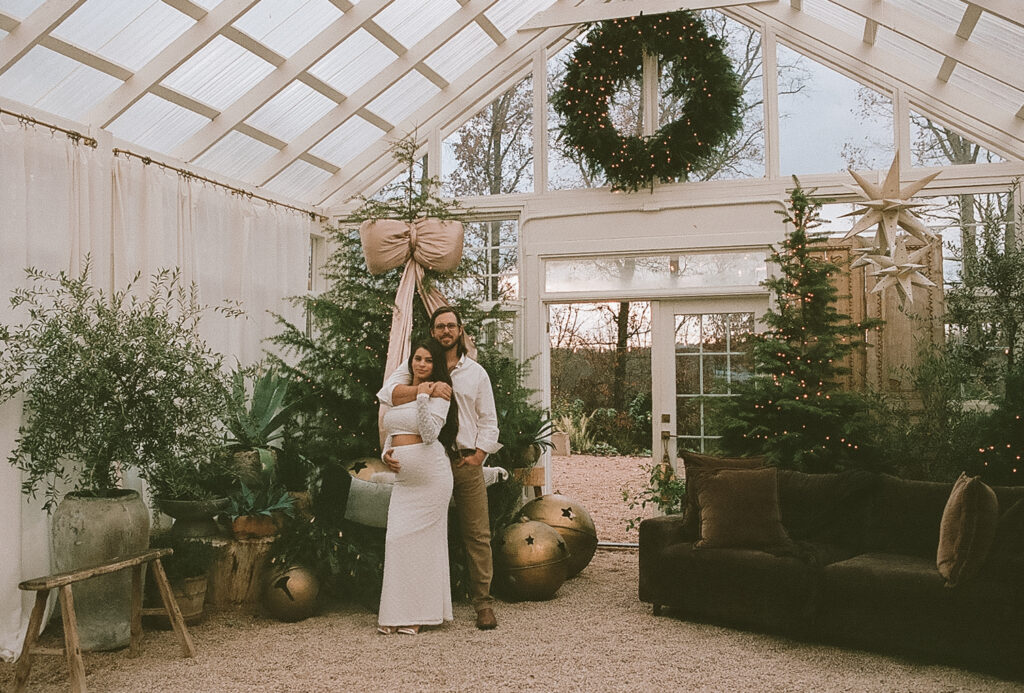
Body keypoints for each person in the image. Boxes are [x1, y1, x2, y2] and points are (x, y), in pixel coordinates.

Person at [378, 306, 502, 630]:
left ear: (460, 331)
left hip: (463, 459)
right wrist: (425, 388)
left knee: (477, 534)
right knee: (427, 536)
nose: (446, 331)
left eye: (451, 326)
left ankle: (483, 605)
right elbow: (388, 396)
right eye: (440, 326)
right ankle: (420, 607)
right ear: (433, 332)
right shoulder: (417, 367)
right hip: (429, 463)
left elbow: (489, 420)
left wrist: (479, 455)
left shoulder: (475, 373)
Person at [376, 339, 459, 635]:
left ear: (436, 365)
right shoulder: (400, 389)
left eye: (428, 360)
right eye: (417, 359)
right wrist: (386, 453)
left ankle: (418, 615)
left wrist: (423, 397)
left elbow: (428, 433)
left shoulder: (441, 394)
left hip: (431, 481)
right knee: (396, 540)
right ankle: (395, 612)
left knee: (424, 546)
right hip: (405, 482)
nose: (421, 364)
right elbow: (393, 429)